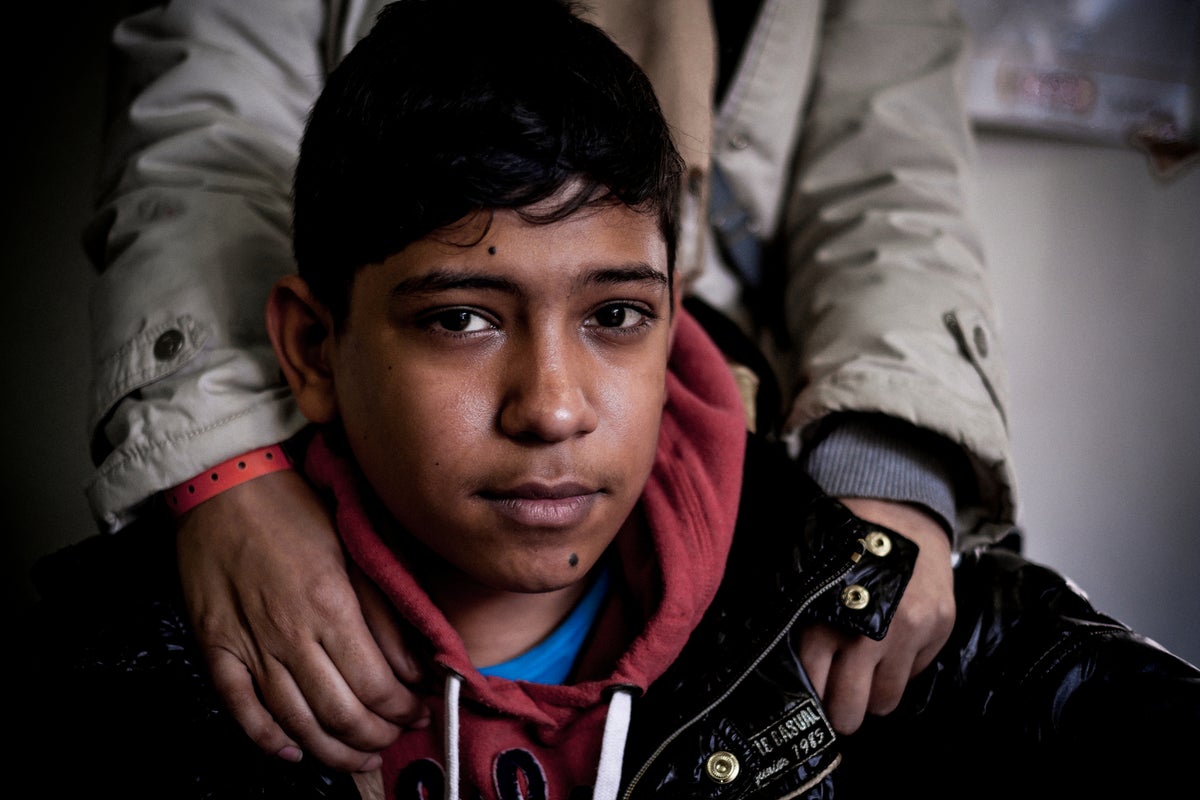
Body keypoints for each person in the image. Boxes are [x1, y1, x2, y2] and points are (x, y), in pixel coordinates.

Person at [21, 4, 1200, 798]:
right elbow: (207, 123)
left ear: (672, 309)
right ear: (313, 345)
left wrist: (893, 481)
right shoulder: (116, 655)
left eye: (616, 315)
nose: (553, 406)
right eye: (462, 318)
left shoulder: (891, 625)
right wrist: (220, 459)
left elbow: (886, 166)